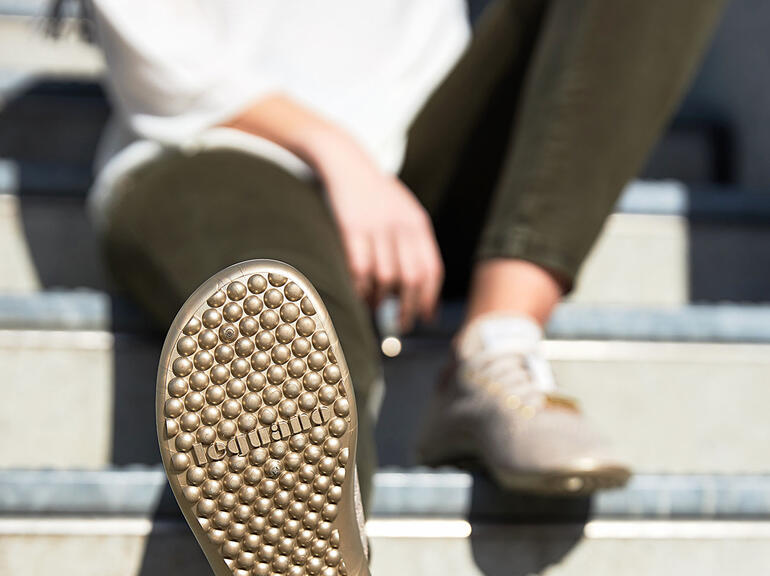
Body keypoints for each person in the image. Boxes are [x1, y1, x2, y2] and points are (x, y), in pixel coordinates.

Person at [88, 0, 725, 502]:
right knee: (288, 342)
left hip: (428, 156)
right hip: (222, 144)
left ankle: (498, 341)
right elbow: (149, 36)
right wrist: (336, 152)